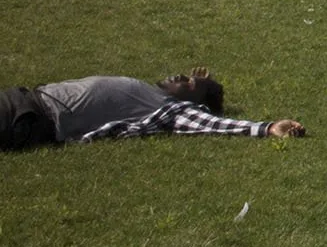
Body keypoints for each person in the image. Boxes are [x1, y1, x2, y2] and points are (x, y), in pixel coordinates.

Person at [0, 67, 305, 151]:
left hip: (30, 117)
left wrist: (266, 128)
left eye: (189, 82)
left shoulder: (165, 107)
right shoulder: (149, 93)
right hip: (24, 99)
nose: (180, 77)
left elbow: (212, 124)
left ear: (192, 101)